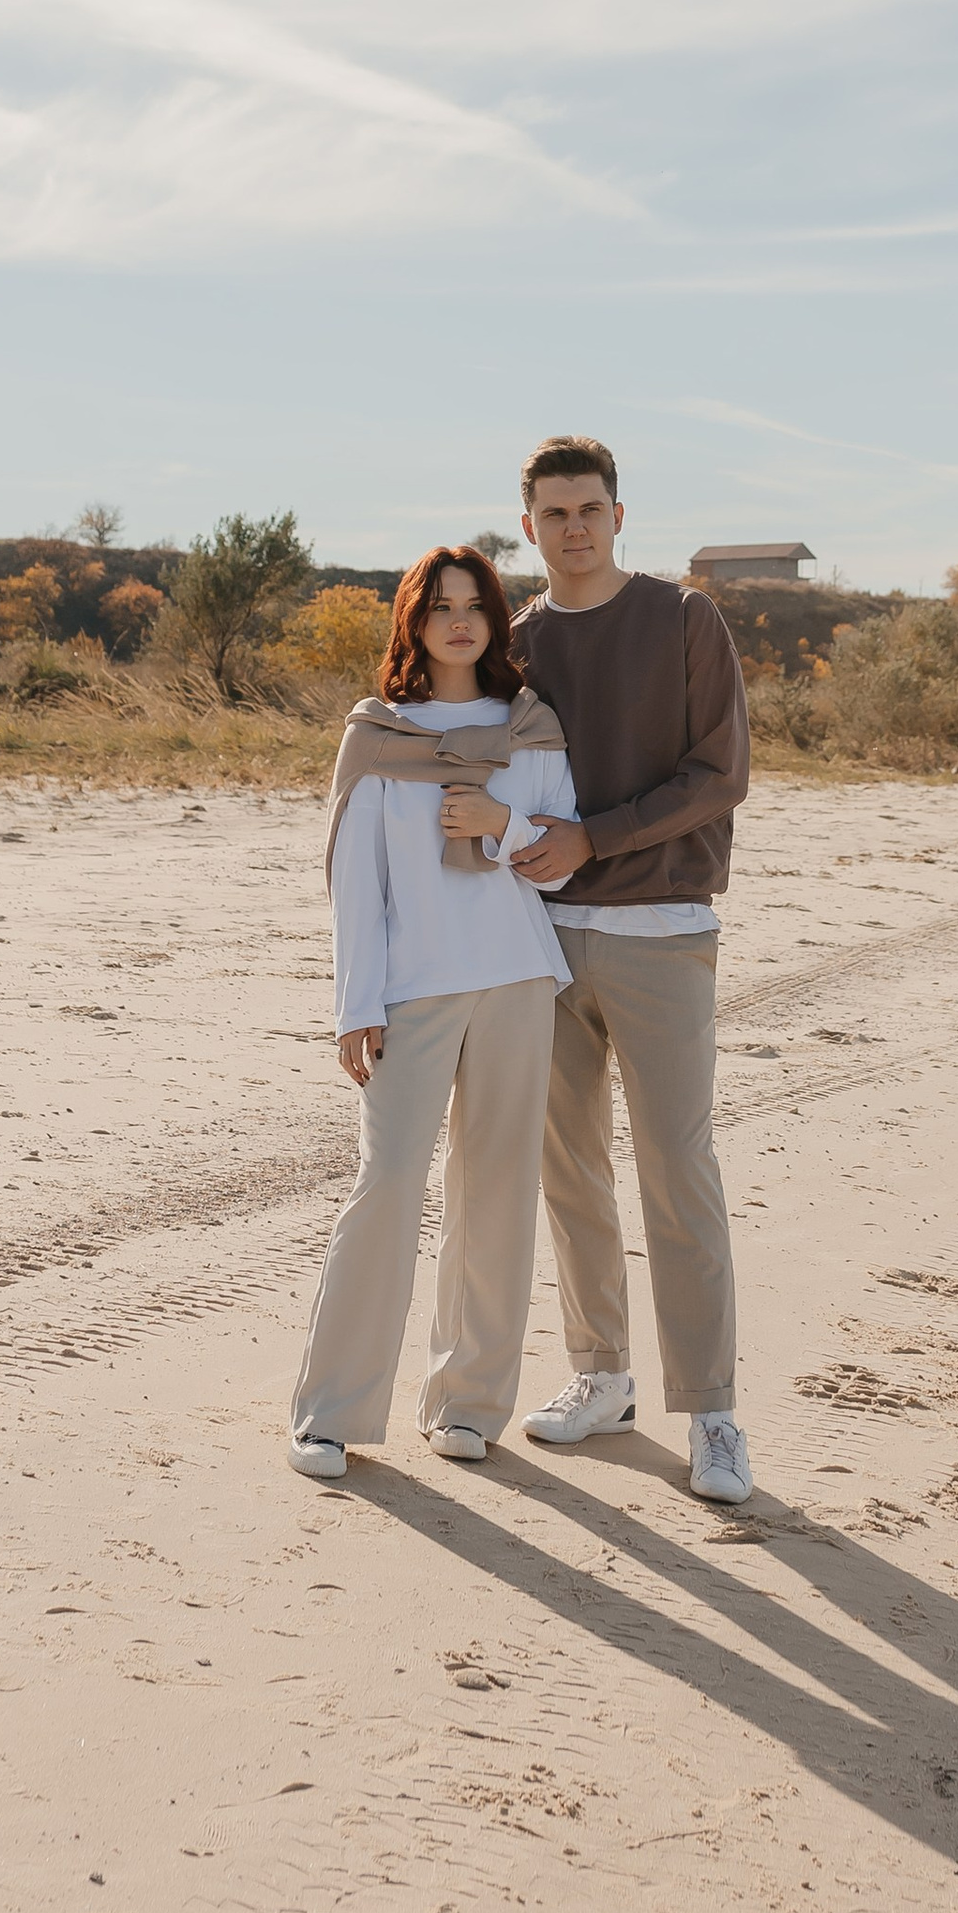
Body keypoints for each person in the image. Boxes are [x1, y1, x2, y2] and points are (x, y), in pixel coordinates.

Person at [287, 549, 577, 1484]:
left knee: (495, 1192)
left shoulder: (530, 729)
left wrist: (501, 825)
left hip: (517, 979)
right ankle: (330, 1412)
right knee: (387, 1185)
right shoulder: (378, 735)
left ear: (496, 621)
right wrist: (354, 1006)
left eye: (475, 607)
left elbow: (563, 862)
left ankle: (467, 1404)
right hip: (412, 989)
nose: (459, 623)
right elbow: (355, 890)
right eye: (439, 607)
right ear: (412, 623)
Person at [504, 434, 756, 1505]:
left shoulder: (683, 617)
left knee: (677, 1172)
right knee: (569, 1170)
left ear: (617, 517)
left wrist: (593, 840)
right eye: (553, 513)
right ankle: (600, 1373)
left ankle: (713, 1415)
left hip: (662, 931)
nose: (572, 528)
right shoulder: (513, 641)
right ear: (529, 527)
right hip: (539, 941)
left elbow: (720, 774)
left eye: (589, 509)